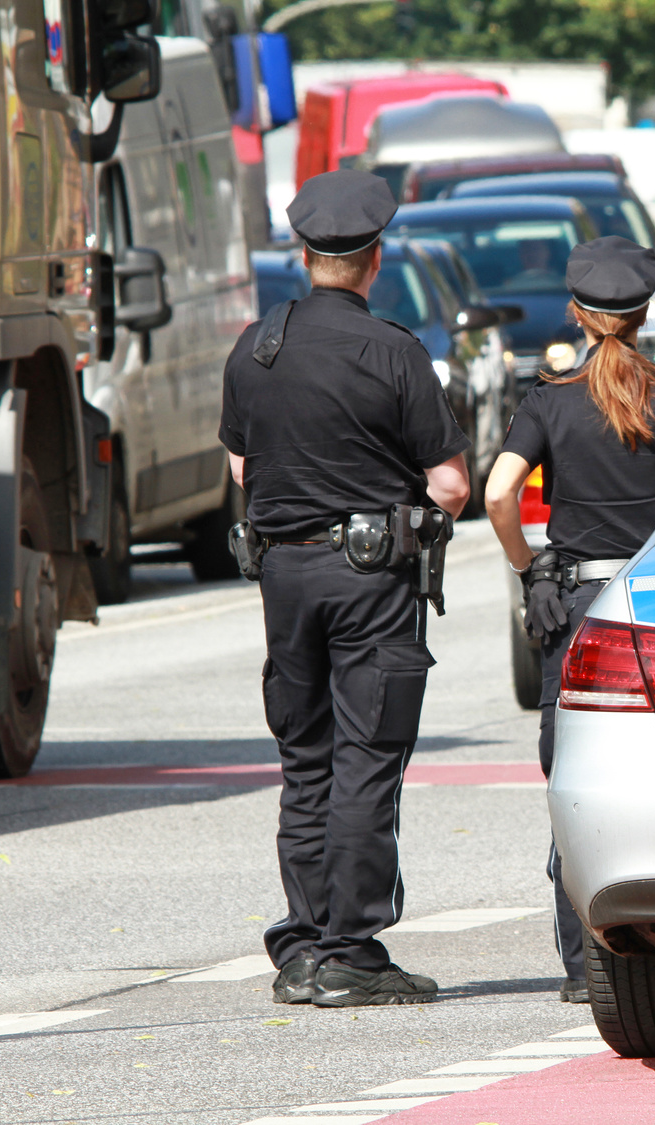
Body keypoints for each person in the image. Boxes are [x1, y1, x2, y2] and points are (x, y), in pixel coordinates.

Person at [219, 170, 472, 1007]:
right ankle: (351, 950)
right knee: (367, 753)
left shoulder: (257, 345)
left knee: (306, 757)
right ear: (374, 260)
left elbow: (240, 466)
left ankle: (302, 944)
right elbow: (450, 486)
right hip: (367, 573)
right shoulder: (393, 350)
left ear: (302, 255)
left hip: (283, 573)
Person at [484, 236, 655, 1002]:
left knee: (576, 780)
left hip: (581, 608)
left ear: (577, 314)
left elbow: (496, 493)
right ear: (647, 312)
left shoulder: (550, 399)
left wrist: (529, 569)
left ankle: (583, 965)